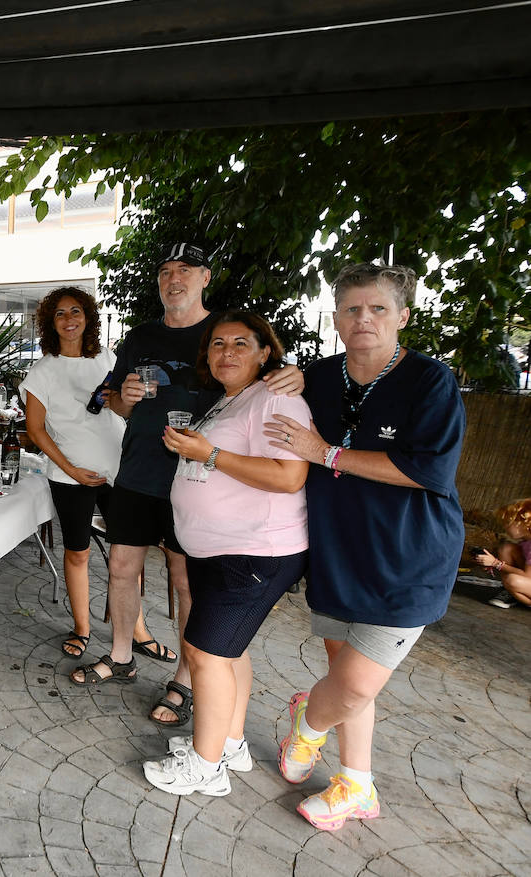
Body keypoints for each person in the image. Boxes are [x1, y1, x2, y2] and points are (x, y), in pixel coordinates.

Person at [71, 242, 304, 729]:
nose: (173, 279)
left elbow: (263, 377)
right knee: (120, 567)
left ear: (205, 278)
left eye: (185, 270)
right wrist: (124, 399)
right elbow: (112, 398)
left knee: (185, 582)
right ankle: (119, 656)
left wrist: (294, 376)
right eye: (165, 271)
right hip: (138, 472)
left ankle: (186, 677)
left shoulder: (223, 335)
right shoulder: (140, 336)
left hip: (196, 480)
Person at [268, 262, 466, 832]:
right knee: (344, 674)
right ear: (336, 317)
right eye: (352, 308)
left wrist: (323, 452)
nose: (364, 319)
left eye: (378, 308)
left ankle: (308, 720)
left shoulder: (430, 381)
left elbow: (428, 471)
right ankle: (356, 782)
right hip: (337, 551)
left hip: (409, 559)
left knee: (353, 684)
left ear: (402, 316)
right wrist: (277, 377)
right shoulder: (319, 377)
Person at [140, 312, 310, 796]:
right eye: (217, 344)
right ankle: (230, 743)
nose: (227, 352)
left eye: (241, 343)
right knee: (226, 651)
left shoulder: (275, 397)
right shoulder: (231, 400)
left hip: (254, 551)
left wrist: (208, 455)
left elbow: (288, 476)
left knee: (207, 655)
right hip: (219, 550)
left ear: (265, 353)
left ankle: (205, 766)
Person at [18, 286, 162, 660]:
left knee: (127, 555)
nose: (69, 320)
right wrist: (72, 470)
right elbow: (36, 431)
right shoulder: (43, 370)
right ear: (52, 323)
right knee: (78, 553)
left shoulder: (107, 359)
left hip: (119, 472)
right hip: (70, 477)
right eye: (61, 314)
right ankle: (82, 627)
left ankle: (138, 629)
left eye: (76, 311)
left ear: (88, 318)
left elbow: (121, 411)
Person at [471, 498, 531, 608]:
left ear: (524, 524)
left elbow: (528, 575)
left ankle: (520, 597)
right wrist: (491, 564)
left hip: (527, 579)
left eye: (508, 523)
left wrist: (496, 563)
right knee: (507, 549)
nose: (504, 527)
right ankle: (510, 592)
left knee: (512, 581)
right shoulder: (526, 541)